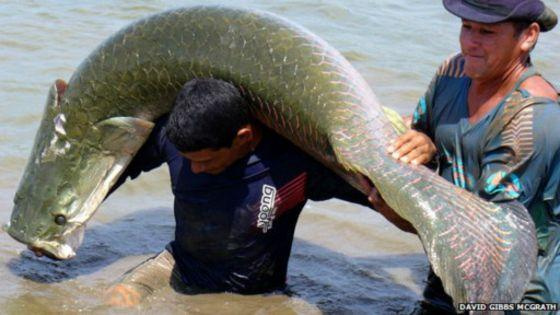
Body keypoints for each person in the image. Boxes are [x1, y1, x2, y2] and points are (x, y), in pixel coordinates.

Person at [103, 78, 413, 307]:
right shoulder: (174, 139)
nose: (194, 170)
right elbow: (109, 170)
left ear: (244, 137)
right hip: (177, 266)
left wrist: (392, 204)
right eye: (187, 161)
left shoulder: (297, 162)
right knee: (114, 303)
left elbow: (401, 213)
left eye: (206, 160)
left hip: (259, 295)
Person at [370, 0, 560, 313]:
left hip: (515, 298)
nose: (470, 43)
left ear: (528, 36)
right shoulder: (453, 72)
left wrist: (395, 213)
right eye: (466, 27)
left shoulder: (532, 120)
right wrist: (424, 142)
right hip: (449, 279)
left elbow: (483, 244)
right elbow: (419, 128)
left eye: (486, 32)